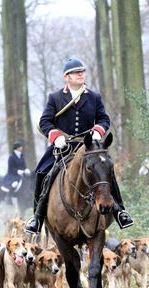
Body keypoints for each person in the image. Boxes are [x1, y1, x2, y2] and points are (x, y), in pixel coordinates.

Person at [25, 58, 134, 235]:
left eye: (82, 72)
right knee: (42, 172)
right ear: (66, 77)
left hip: (89, 146)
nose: (81, 74)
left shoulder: (93, 97)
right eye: (76, 72)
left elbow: (103, 119)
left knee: (106, 170)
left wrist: (98, 131)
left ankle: (120, 211)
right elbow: (45, 121)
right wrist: (56, 136)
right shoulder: (55, 97)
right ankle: (37, 217)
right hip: (63, 146)